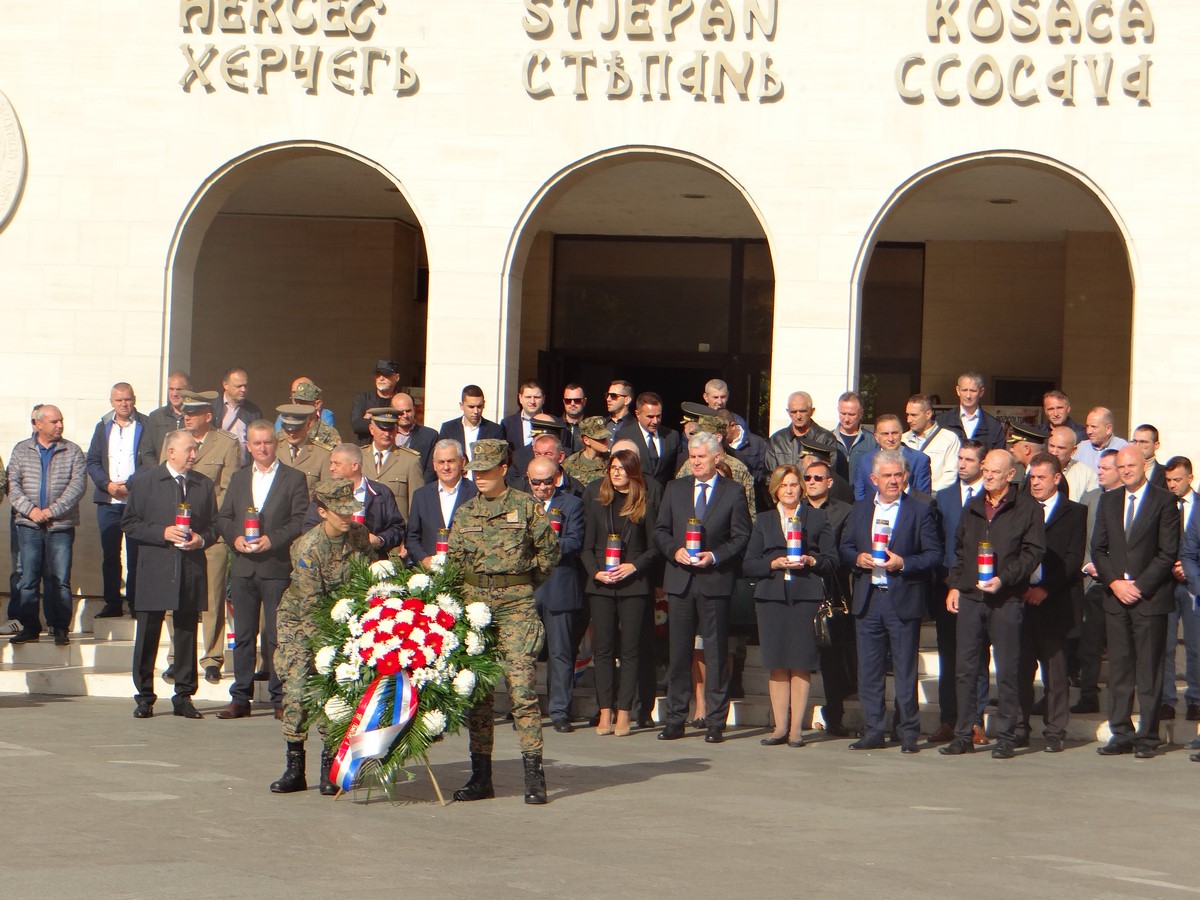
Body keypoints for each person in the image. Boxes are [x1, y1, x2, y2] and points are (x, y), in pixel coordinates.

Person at [448, 439, 560, 805]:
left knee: (522, 691)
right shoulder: (465, 513)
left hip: (516, 608)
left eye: (486, 469)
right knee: (478, 694)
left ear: (503, 469)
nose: (479, 476)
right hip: (475, 607)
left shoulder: (526, 507)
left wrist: (521, 585)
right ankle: (481, 775)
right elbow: (454, 562)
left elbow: (548, 554)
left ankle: (534, 774)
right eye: (475, 470)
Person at [940, 449, 1044, 760]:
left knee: (1008, 669)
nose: (987, 476)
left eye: (995, 472)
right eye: (985, 470)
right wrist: (955, 586)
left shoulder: (1026, 508)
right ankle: (964, 733)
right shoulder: (972, 506)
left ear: (1011, 475)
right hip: (972, 597)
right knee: (966, 668)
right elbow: (959, 550)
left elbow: (1032, 553)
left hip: (1006, 598)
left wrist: (1005, 579)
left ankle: (1006, 735)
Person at [271, 479, 373, 795]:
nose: (347, 518)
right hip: (301, 625)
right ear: (322, 512)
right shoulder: (307, 548)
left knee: (336, 693)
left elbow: (367, 579)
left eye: (350, 512)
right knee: (299, 690)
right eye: (340, 513)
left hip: (341, 622)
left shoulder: (358, 537)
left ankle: (330, 766)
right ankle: (294, 767)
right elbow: (308, 606)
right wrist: (325, 650)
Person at [840, 449, 941, 753]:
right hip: (869, 599)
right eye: (887, 476)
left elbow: (933, 554)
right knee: (869, 670)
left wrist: (903, 563)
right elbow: (844, 548)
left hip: (902, 599)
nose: (894, 480)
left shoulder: (919, 510)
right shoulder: (859, 510)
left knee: (905, 669)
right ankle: (873, 729)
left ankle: (907, 731)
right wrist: (858, 557)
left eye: (899, 475)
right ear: (874, 479)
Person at [654, 432, 752, 744]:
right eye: (692, 456)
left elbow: (741, 535)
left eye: (701, 457)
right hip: (681, 579)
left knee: (715, 651)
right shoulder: (676, 488)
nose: (695, 462)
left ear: (716, 458)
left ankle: (715, 720)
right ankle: (675, 718)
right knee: (679, 652)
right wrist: (674, 551)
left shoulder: (733, 491)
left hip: (714, 579)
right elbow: (661, 530)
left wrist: (715, 555)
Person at [213, 420, 309, 720]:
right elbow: (224, 517)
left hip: (275, 565)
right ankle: (240, 697)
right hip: (243, 567)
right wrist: (235, 538)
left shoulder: (293, 478)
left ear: (276, 443)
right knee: (243, 634)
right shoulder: (240, 478)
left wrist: (272, 540)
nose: (262, 448)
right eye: (256, 443)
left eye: (267, 442)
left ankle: (279, 697)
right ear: (249, 446)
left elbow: (298, 520)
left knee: (276, 635)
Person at [122, 429, 217, 719]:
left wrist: (202, 539)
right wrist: (161, 532)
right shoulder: (146, 482)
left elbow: (214, 524)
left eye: (195, 449)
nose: (193, 455)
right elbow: (130, 523)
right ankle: (144, 696)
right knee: (148, 632)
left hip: (189, 568)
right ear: (170, 451)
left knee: (187, 632)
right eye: (188, 449)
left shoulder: (203, 484)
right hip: (155, 567)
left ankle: (184, 696)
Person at [1092, 444, 1179, 759]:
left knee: (1149, 671)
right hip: (1116, 599)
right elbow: (1098, 548)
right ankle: (1121, 733)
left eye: (1131, 465)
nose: (1126, 470)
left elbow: (1167, 552)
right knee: (1120, 669)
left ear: (1144, 464)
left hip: (1149, 599)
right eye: (1121, 466)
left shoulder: (1164, 501)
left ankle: (1148, 737)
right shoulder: (1108, 500)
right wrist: (1115, 583)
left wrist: (1138, 586)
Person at [743, 464, 836, 748]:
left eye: (794, 485)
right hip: (771, 598)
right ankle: (779, 726)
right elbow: (748, 563)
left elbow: (833, 560)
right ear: (775, 491)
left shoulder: (817, 518)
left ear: (802, 489)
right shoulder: (765, 521)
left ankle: (796, 728)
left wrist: (811, 561)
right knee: (777, 664)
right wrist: (773, 563)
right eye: (784, 485)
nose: (789, 490)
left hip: (804, 597)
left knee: (800, 664)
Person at [164, 391, 242, 686]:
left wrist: (206, 528)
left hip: (210, 533)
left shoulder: (226, 444)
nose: (187, 417)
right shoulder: (173, 440)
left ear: (208, 416)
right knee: (175, 598)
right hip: (178, 533)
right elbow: (165, 481)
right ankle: (176, 658)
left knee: (211, 598)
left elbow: (227, 490)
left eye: (193, 413)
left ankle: (211, 659)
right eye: (185, 413)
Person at [581, 448, 660, 738]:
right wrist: (595, 571)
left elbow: (655, 547)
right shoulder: (597, 499)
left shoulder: (644, 502)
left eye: (622, 468)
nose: (616, 473)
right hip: (601, 583)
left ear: (633, 472)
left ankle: (625, 711)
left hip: (633, 585)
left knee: (630, 650)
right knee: (603, 649)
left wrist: (634, 567)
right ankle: (605, 711)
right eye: (612, 467)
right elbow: (586, 546)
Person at [1017, 452, 1086, 753]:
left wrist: (1044, 589)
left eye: (1041, 478)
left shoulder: (1075, 512)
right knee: (1020, 668)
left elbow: (1072, 560)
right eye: (1032, 478)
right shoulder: (1020, 509)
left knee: (1056, 672)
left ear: (1057, 478)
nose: (1035, 483)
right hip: (1021, 599)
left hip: (1056, 602)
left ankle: (1055, 729)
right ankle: (1019, 727)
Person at [7, 405, 88, 645]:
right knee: (29, 578)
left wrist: (51, 511)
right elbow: (12, 483)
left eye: (61, 420)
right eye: (54, 421)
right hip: (28, 525)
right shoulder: (22, 450)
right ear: (38, 424)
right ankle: (30, 626)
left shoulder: (72, 450)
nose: (60, 425)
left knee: (59, 578)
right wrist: (30, 510)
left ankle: (59, 626)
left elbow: (77, 487)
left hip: (60, 526)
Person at [929, 439, 987, 744]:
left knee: (976, 656)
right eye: (960, 458)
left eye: (968, 459)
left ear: (982, 463)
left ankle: (975, 720)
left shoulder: (992, 497)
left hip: (982, 588)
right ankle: (948, 720)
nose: (962, 464)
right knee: (949, 655)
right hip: (949, 586)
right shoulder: (945, 497)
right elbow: (938, 541)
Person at [527, 456, 585, 734]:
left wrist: (539, 546)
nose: (541, 488)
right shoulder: (519, 504)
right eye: (535, 482)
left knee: (561, 653)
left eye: (547, 482)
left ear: (557, 478)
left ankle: (560, 711)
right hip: (526, 589)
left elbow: (574, 541)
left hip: (560, 587)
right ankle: (525, 712)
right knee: (523, 655)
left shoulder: (572, 504)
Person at [801, 457, 855, 737]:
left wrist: (819, 560)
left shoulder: (844, 511)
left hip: (830, 592)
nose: (811, 483)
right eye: (808, 478)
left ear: (829, 482)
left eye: (818, 478)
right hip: (797, 590)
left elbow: (846, 552)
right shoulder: (794, 509)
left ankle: (835, 716)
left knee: (832, 660)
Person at [86, 382, 150, 618]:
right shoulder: (103, 426)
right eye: (119, 400)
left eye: (128, 399)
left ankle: (136, 602)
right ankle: (112, 602)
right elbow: (92, 461)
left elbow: (149, 461)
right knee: (110, 555)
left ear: (134, 399)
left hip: (136, 501)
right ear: (111, 402)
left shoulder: (146, 424)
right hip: (108, 501)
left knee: (136, 555)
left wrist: (130, 484)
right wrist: (108, 485)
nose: (124, 404)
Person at [1072, 448, 1121, 714]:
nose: (1099, 472)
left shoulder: (1129, 499)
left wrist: (1111, 570)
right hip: (1091, 582)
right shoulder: (1089, 498)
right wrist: (1087, 565)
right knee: (1089, 643)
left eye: (1105, 468)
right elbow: (1079, 536)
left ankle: (1122, 697)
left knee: (1120, 645)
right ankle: (1088, 694)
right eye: (1099, 468)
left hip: (1122, 583)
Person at [301, 443, 405, 559]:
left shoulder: (380, 493)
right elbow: (309, 527)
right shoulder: (323, 493)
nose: (331, 468)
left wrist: (380, 540)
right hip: (332, 564)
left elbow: (397, 528)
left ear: (354, 466)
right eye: (331, 463)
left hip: (370, 564)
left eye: (337, 464)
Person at [405, 438, 477, 565]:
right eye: (441, 462)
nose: (446, 467)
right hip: (431, 573)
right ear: (434, 465)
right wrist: (425, 560)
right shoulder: (421, 495)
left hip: (467, 573)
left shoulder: (476, 493)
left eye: (451, 461)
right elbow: (412, 537)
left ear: (462, 462)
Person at [1166, 457, 1200, 723]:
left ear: (1189, 477)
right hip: (1164, 584)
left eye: (1177, 479)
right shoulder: (1161, 504)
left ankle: (1196, 699)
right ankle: (1167, 699)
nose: (1172, 485)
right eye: (1168, 480)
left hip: (1192, 584)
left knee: (1195, 645)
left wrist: (1188, 570)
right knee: (1164, 646)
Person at [361, 407, 423, 518]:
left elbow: (417, 505)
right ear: (371, 429)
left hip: (396, 531)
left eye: (390, 430)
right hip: (363, 530)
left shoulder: (410, 461)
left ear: (396, 431)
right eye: (382, 429)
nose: (386, 434)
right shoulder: (358, 457)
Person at [853, 414, 932, 499]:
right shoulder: (865, 461)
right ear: (876, 437)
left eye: (894, 433)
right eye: (885, 434)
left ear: (901, 434)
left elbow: (923, 499)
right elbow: (860, 497)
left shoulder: (919, 460)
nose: (890, 438)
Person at [618, 391, 681, 488]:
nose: (655, 421)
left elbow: (676, 469)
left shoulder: (672, 436)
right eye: (650, 417)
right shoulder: (624, 436)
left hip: (663, 496)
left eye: (658, 416)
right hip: (636, 495)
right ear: (637, 414)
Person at [766, 390, 838, 471]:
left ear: (812, 411)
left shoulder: (826, 439)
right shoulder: (776, 440)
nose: (798, 416)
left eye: (802, 411)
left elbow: (829, 473)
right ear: (788, 412)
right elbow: (769, 475)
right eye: (794, 412)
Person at [438, 385, 505, 470]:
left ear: (484, 404)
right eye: (471, 407)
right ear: (461, 405)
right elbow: (440, 457)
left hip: (483, 480)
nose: (476, 411)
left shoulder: (495, 430)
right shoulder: (448, 428)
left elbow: (499, 462)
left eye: (479, 406)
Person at [903, 393, 960, 492]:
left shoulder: (949, 438)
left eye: (914, 415)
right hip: (906, 499)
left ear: (928, 414)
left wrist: (929, 494)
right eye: (907, 414)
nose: (908, 420)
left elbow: (951, 474)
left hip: (935, 499)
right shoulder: (902, 439)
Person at [935, 372, 1006, 450]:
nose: (968, 396)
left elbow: (998, 457)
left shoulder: (993, 426)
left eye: (973, 391)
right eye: (964, 390)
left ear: (981, 392)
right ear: (958, 391)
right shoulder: (942, 421)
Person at [276, 403, 334, 494]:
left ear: (308, 424)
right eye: (287, 429)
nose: (291, 433)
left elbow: (327, 493)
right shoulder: (274, 451)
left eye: (297, 429)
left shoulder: (322, 455)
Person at [140, 370, 190, 470]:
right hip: (160, 477)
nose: (174, 394)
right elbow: (146, 451)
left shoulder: (195, 417)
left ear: (189, 390)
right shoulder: (156, 417)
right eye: (171, 389)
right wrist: (158, 473)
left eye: (179, 389)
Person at [213, 367, 263, 459]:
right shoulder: (212, 408)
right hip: (217, 467)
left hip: (244, 468)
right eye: (238, 386)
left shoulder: (253, 411)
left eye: (245, 385)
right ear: (225, 385)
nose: (243, 389)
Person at [350, 359, 403, 444]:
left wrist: (371, 419)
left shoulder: (401, 401)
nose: (381, 378)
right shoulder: (363, 398)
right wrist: (390, 422)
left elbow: (404, 426)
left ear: (397, 377)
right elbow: (357, 425)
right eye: (378, 375)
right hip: (366, 451)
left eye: (386, 375)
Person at [275, 379, 340, 447]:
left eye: (303, 402)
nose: (298, 406)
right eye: (295, 401)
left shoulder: (329, 435)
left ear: (317, 404)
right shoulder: (284, 432)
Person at [389, 392, 439, 481]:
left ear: (414, 409)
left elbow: (431, 470)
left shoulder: (430, 436)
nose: (405, 415)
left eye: (408, 411)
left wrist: (421, 491)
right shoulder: (385, 434)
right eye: (400, 412)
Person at [831, 391, 878, 484]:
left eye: (851, 414)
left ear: (861, 413)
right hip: (835, 495)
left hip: (861, 496)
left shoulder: (872, 441)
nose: (847, 419)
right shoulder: (827, 439)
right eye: (843, 414)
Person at [1046, 426, 1099, 501]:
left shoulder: (1087, 475)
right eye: (1051, 446)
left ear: (1073, 450)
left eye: (1060, 448)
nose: (1054, 452)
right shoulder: (1036, 470)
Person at [1073, 406, 1128, 473]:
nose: (1088, 431)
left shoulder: (1122, 448)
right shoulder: (1081, 448)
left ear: (1108, 429)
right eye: (1087, 426)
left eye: (1094, 427)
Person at [561, 416, 612, 486]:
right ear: (586, 440)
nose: (606, 441)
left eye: (605, 437)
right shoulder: (570, 464)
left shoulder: (611, 461)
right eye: (600, 439)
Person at [502, 379, 548, 450]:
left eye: (536, 397)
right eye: (528, 397)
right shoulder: (507, 424)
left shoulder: (554, 424)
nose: (532, 401)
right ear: (520, 398)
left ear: (543, 399)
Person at [1130, 424, 1167, 489]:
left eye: (1143, 442)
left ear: (1156, 445)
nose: (1137, 446)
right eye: (1134, 441)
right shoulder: (1121, 471)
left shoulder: (1166, 474)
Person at [560, 383, 588, 451]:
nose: (572, 404)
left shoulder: (592, 427)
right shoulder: (557, 426)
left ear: (584, 401)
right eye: (568, 401)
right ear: (564, 402)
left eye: (577, 400)